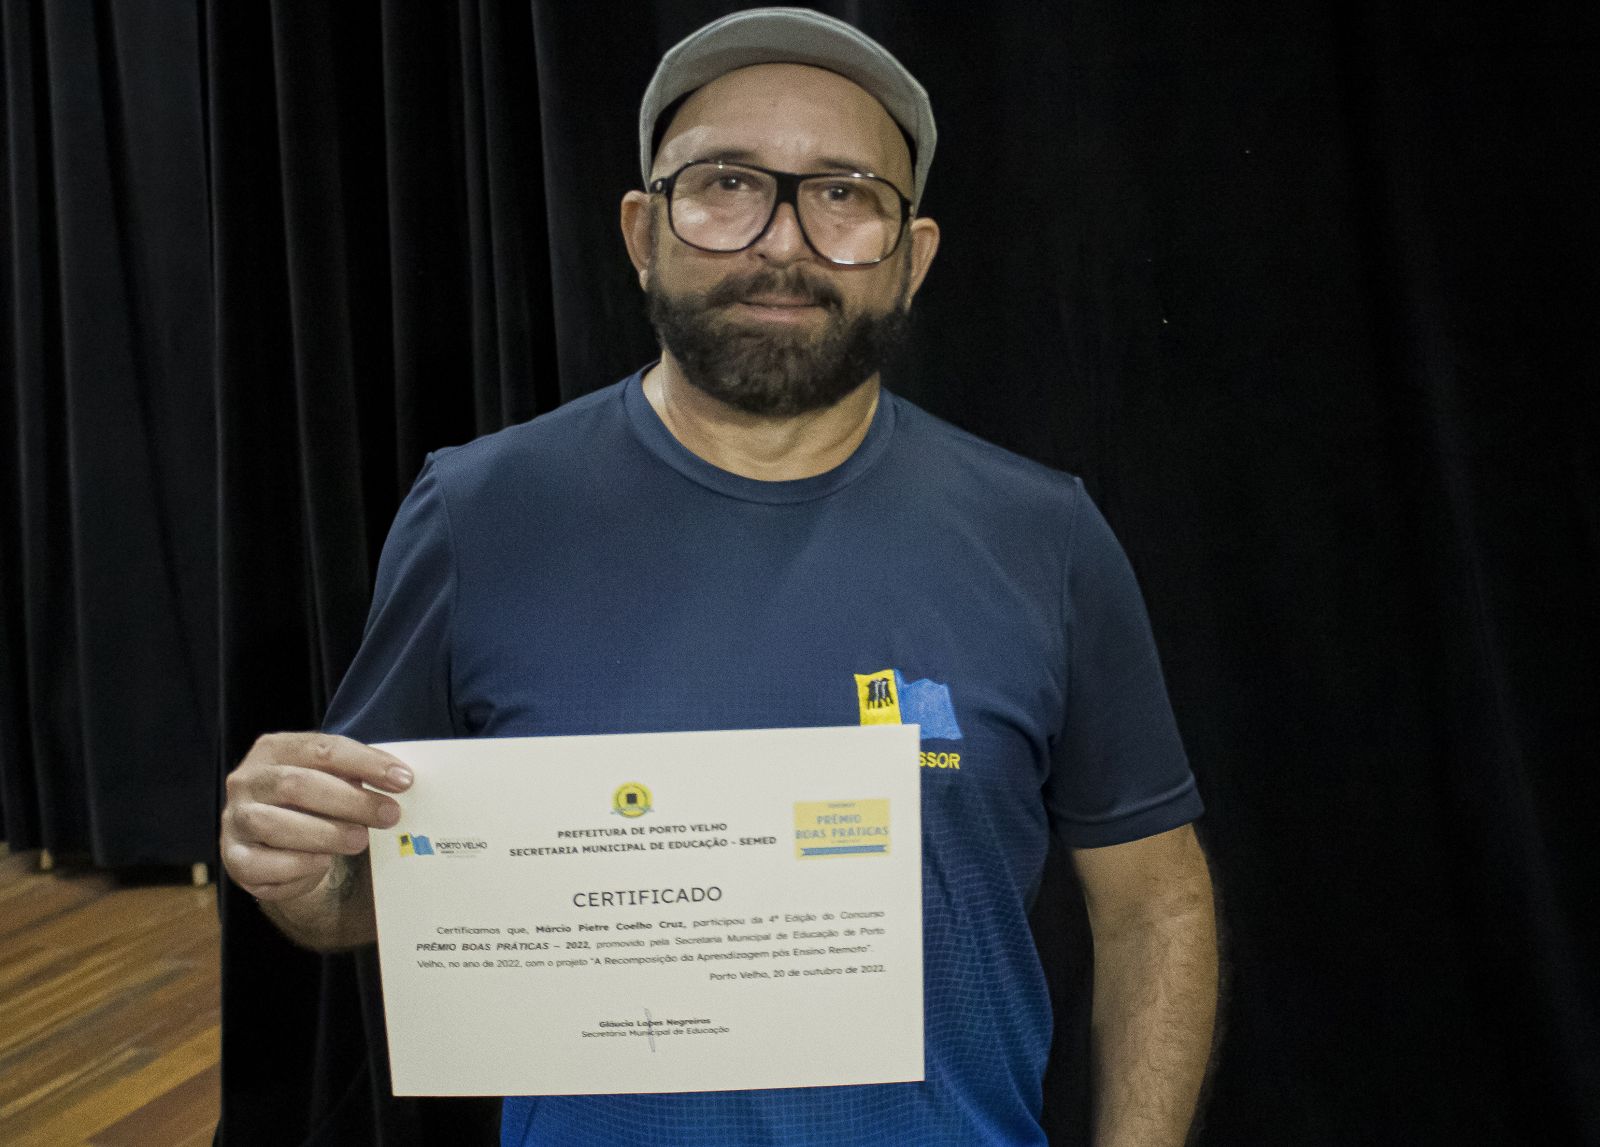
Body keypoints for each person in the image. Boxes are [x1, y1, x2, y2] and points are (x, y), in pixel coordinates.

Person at [219, 8, 1218, 1145]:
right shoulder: (478, 513)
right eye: (727, 184)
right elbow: (375, 889)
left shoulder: (1043, 535)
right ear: (643, 232)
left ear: (914, 258)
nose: (783, 243)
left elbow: (1156, 903)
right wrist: (304, 875)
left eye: (844, 194)